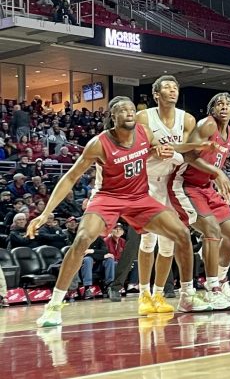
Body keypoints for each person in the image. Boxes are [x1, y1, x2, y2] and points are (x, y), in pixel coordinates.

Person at [28, 96, 212, 328]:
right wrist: (45, 213)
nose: (128, 112)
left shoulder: (144, 133)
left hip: (139, 197)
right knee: (83, 239)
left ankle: (187, 296)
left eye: (131, 109)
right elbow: (71, 176)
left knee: (182, 234)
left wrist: (192, 147)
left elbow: (165, 148)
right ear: (112, 117)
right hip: (107, 198)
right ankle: (53, 306)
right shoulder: (99, 143)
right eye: (122, 110)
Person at [126, 75, 209, 312]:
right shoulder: (144, 117)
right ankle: (144, 294)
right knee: (148, 239)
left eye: (175, 87)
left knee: (168, 244)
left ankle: (159, 295)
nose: (172, 91)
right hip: (148, 181)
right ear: (156, 94)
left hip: (172, 183)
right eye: (167, 88)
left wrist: (183, 151)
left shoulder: (188, 119)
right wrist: (154, 151)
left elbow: (189, 152)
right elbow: (135, 149)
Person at [169, 92, 230, 309]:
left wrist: (218, 181)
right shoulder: (206, 125)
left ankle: (221, 279)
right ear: (212, 110)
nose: (224, 107)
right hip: (185, 184)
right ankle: (212, 289)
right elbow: (189, 155)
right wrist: (218, 173)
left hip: (206, 187)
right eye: (219, 104)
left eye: (228, 104)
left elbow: (214, 162)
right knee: (212, 232)